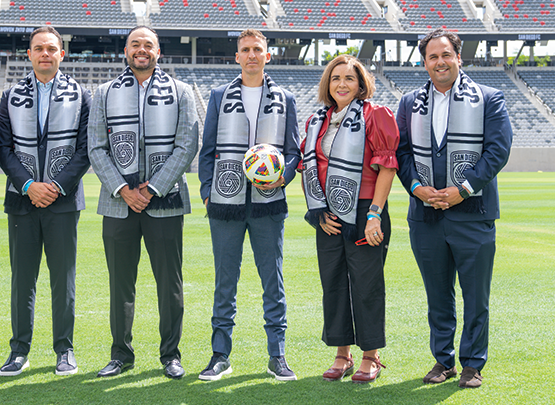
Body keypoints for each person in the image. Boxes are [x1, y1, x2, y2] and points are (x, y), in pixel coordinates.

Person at [396, 29, 512, 388]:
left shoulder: (489, 98)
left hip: (473, 214)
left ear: (459, 58)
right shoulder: (409, 102)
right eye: (433, 57)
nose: (440, 62)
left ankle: (473, 364)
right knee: (437, 296)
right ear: (424, 62)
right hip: (426, 216)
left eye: (446, 55)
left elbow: (498, 150)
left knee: (476, 296)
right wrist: (417, 188)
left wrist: (464, 189)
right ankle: (442, 361)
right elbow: (400, 153)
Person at [88, 26, 199, 380]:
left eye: (147, 45)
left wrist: (152, 189)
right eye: (135, 44)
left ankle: (171, 355)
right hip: (118, 204)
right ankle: (121, 354)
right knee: (121, 283)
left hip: (165, 202)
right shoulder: (104, 92)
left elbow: (187, 146)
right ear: (125, 50)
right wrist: (123, 189)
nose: (141, 50)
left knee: (170, 282)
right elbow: (95, 148)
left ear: (158, 51)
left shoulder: (181, 92)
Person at [197, 29, 301, 382]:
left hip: (268, 205)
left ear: (267, 56)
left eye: (258, 49)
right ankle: (220, 355)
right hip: (225, 204)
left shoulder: (284, 98)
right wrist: (207, 192)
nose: (252, 55)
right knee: (225, 282)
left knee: (273, 281)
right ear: (237, 56)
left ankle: (278, 356)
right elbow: (208, 147)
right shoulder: (218, 95)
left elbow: (293, 153)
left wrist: (282, 177)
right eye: (246, 50)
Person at [0, 26, 91, 377]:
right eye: (39, 48)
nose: (45, 54)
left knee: (62, 279)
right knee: (23, 279)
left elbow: (85, 150)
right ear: (29, 54)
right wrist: (28, 185)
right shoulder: (10, 94)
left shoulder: (81, 94)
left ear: (61, 54)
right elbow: (2, 149)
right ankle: (19, 350)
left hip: (63, 201)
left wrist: (54, 186)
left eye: (52, 48)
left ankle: (64, 349)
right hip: (22, 201)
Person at [301, 54, 399, 384]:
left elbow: (387, 166)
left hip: (364, 212)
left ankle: (371, 356)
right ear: (328, 84)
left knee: (366, 287)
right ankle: (342, 354)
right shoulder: (317, 120)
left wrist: (375, 214)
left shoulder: (376, 115)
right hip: (328, 214)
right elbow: (309, 167)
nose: (342, 84)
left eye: (349, 78)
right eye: (335, 78)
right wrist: (316, 213)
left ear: (361, 85)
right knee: (333, 286)